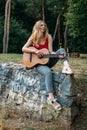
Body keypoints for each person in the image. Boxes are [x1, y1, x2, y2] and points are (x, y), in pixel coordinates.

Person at [22, 20, 73, 110]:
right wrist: (35, 51)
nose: (43, 26)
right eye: (41, 25)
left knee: (61, 50)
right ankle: (51, 98)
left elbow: (50, 51)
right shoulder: (33, 37)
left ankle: (66, 67)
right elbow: (24, 48)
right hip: (38, 64)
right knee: (48, 72)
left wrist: (57, 55)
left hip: (48, 61)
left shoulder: (48, 37)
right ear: (37, 27)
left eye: (44, 25)